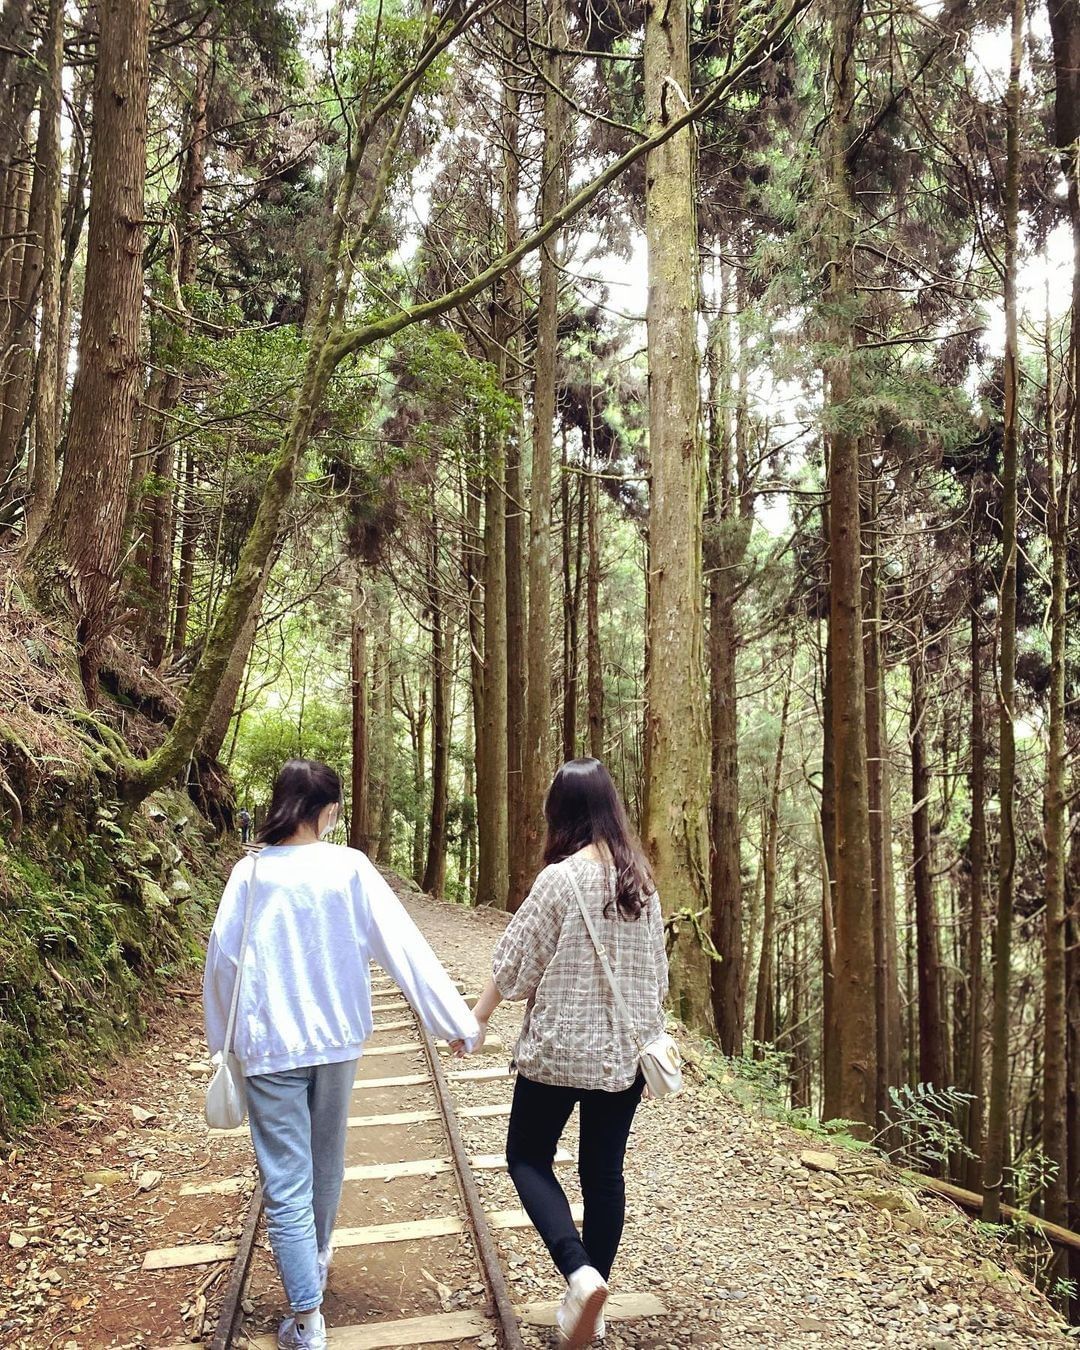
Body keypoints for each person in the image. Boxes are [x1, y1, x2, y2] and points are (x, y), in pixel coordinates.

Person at [204, 759, 479, 1350]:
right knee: (325, 1162)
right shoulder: (348, 868)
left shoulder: (248, 875)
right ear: (327, 810)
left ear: (281, 804)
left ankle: (307, 1317)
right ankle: (315, 1264)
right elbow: (403, 945)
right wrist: (452, 1022)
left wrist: (222, 1045)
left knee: (284, 1177)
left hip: (269, 1046)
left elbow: (222, 964)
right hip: (336, 1044)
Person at [471, 757, 669, 1348]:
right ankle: (594, 1301)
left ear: (562, 811)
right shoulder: (642, 883)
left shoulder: (559, 879)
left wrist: (477, 1018)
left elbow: (515, 963)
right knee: (603, 1174)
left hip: (560, 1051)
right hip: (624, 1057)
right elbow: (655, 976)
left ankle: (579, 1274)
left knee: (527, 1157)